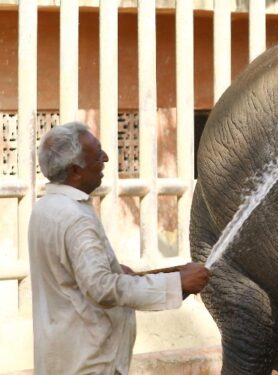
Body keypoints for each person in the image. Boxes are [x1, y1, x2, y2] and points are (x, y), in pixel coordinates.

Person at [28, 122, 210, 374]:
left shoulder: (46, 208)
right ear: (75, 171)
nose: (105, 158)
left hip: (63, 358)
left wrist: (166, 274)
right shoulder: (75, 218)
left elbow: (76, 278)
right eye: (97, 154)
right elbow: (101, 288)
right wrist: (178, 283)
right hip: (90, 363)